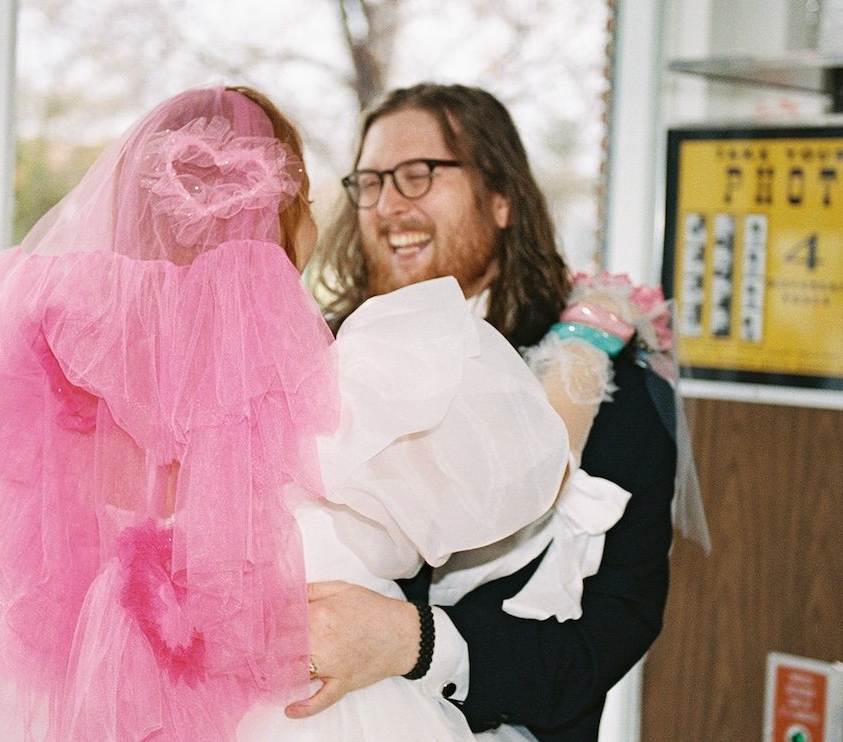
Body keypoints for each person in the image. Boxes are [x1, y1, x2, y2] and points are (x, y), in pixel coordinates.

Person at [0, 85, 625, 740]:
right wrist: (586, 345)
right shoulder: (350, 388)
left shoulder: (78, 410)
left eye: (419, 175)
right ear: (283, 220)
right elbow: (534, 464)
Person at [299, 83, 709, 741]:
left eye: (418, 175)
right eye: (370, 182)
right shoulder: (316, 362)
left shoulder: (606, 383)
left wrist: (416, 642)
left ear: (501, 198)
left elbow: (612, 630)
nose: (387, 205)